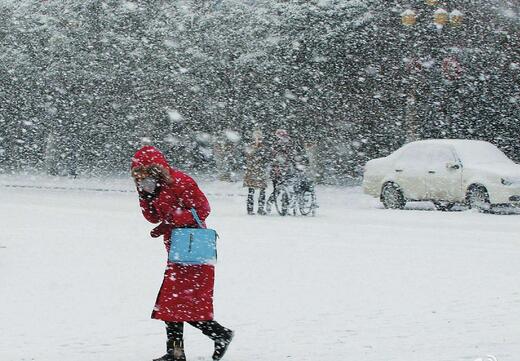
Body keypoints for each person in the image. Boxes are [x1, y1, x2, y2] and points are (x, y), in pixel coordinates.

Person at [130, 146, 234, 361]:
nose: (141, 177)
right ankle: (177, 352)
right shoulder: (153, 188)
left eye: (144, 172)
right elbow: (151, 217)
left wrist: (173, 220)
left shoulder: (181, 182)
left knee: (180, 305)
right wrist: (145, 196)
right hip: (177, 252)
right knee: (171, 305)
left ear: (156, 168)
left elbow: (203, 209)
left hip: (194, 249)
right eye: (137, 174)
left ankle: (219, 335)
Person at [243, 130, 269, 215]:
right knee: (251, 191)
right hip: (252, 172)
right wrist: (255, 148)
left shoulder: (264, 148)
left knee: (262, 191)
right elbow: (248, 156)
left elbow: (266, 157)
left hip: (260, 172)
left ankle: (260, 209)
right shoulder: (250, 147)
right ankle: (250, 209)